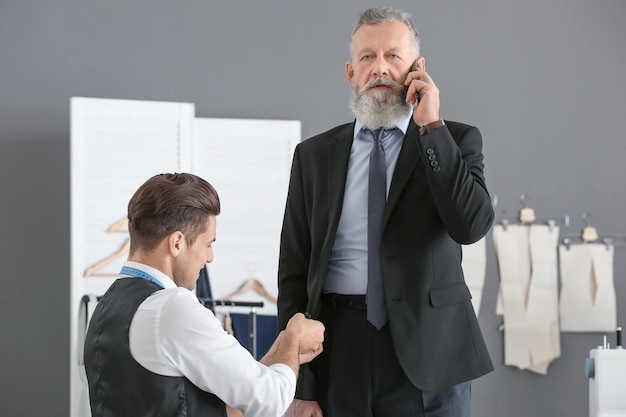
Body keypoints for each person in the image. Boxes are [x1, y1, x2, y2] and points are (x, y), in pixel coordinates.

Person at [277, 7, 494, 417]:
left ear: (418, 67)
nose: (380, 68)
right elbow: (294, 270)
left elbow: (471, 224)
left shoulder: (456, 139)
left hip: (431, 353)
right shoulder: (313, 156)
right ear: (350, 73)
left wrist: (432, 127)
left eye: (393, 56)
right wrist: (299, 382)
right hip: (337, 349)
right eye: (367, 57)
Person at [84, 173, 325, 417]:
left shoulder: (105, 308)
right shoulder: (173, 308)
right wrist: (294, 338)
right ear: (177, 243)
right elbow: (271, 401)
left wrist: (280, 351)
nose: (210, 257)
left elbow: (227, 400)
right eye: (208, 244)